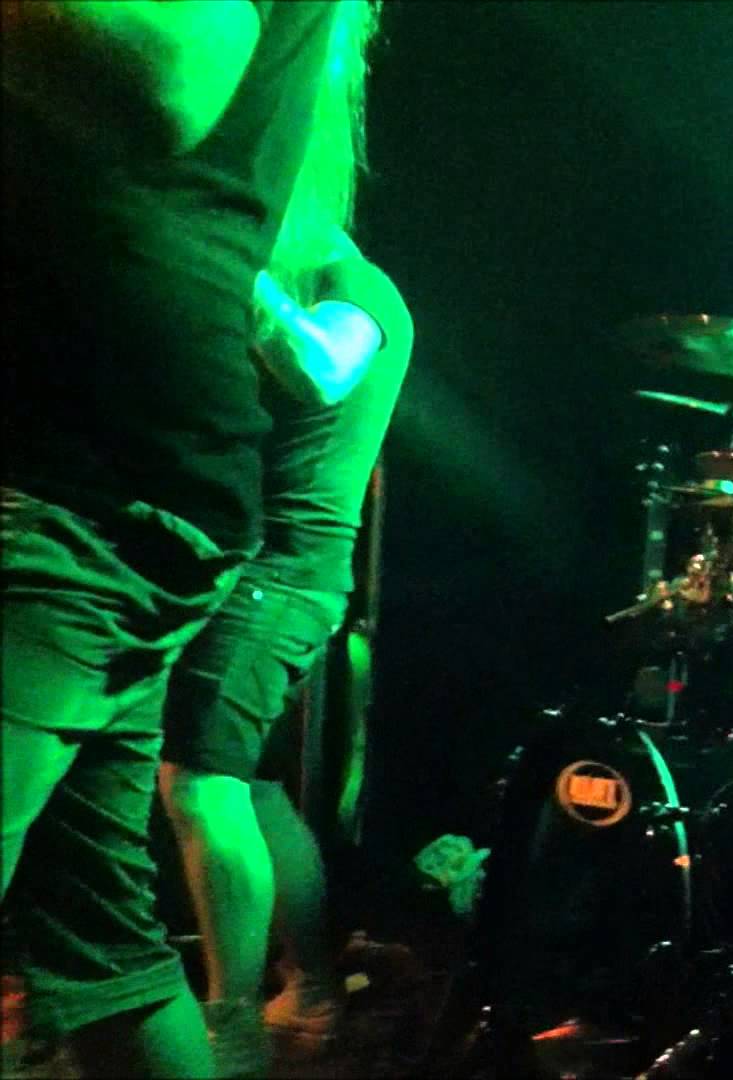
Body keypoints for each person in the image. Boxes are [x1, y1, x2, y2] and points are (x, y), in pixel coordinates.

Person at [2, 3, 341, 1074]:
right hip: (131, 489)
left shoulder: (359, 289)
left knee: (207, 782)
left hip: (97, 487)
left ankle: (265, 1001)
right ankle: (248, 1010)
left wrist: (284, 316)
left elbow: (175, 68)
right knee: (102, 949)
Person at [152, 4, 407, 1074]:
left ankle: (229, 1028)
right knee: (245, 785)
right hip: (262, 571)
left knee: (197, 784)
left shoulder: (354, 288)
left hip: (284, 575)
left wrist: (230, 259)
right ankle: (313, 990)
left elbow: (320, 367)